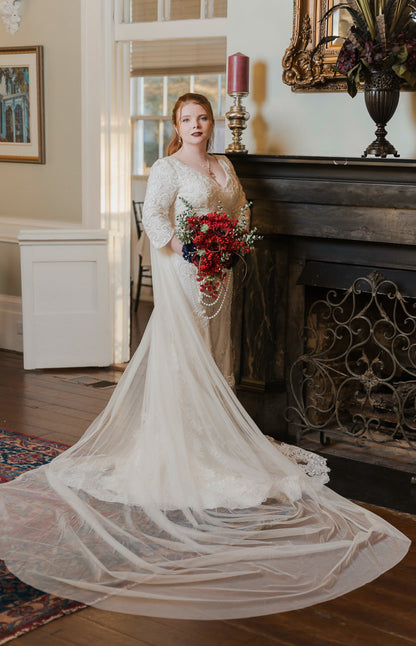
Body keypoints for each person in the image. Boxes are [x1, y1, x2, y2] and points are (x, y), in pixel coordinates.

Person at [0, 93, 410, 621]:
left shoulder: (224, 164)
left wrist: (228, 246)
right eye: (187, 119)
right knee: (183, 351)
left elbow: (239, 210)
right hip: (183, 273)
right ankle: (182, 442)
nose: (196, 125)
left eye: (203, 118)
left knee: (218, 351)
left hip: (221, 272)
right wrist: (190, 251)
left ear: (212, 123)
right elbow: (155, 217)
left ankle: (213, 434)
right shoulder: (167, 166)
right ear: (176, 125)